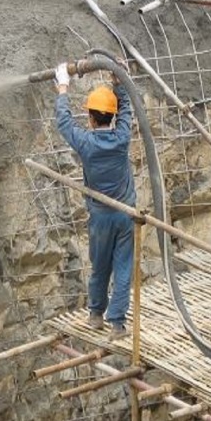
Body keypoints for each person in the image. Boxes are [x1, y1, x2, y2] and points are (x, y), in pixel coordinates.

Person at [54, 62, 135, 341]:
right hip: (125, 214)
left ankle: (95, 315)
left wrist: (63, 87)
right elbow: (127, 110)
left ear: (90, 118)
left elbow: (64, 121)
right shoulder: (122, 138)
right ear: (111, 118)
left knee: (100, 265)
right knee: (123, 266)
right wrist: (119, 83)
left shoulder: (85, 143)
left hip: (100, 217)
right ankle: (117, 324)